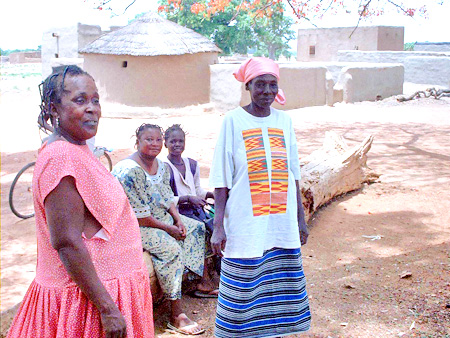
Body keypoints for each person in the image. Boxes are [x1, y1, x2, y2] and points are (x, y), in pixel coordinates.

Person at [7, 65, 154, 338]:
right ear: (54, 108)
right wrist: (108, 308)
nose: (92, 108)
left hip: (106, 290)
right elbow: (66, 242)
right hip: (86, 303)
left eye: (95, 100)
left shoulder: (77, 149)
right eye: (79, 100)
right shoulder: (62, 157)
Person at [209, 57, 312, 338]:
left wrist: (301, 220)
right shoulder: (233, 121)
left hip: (281, 222)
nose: (267, 91)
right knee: (242, 288)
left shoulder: (284, 121)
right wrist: (218, 226)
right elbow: (221, 178)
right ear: (248, 86)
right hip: (245, 220)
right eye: (260, 84)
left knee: (277, 289)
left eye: (272, 85)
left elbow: (293, 174)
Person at [112, 124, 218, 336]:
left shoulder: (160, 166)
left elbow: (168, 197)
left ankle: (197, 283)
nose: (154, 144)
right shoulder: (129, 171)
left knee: (196, 228)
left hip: (161, 218)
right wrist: (169, 228)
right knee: (170, 248)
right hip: (136, 225)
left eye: (158, 140)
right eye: (148, 140)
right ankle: (175, 314)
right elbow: (140, 216)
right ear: (138, 142)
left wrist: (178, 220)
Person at [164, 124, 214, 231]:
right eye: (173, 141)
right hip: (177, 214)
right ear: (165, 144)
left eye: (180, 141)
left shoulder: (192, 164)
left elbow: (196, 190)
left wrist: (211, 195)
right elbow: (164, 198)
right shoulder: (163, 167)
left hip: (195, 210)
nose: (177, 144)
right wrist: (187, 199)